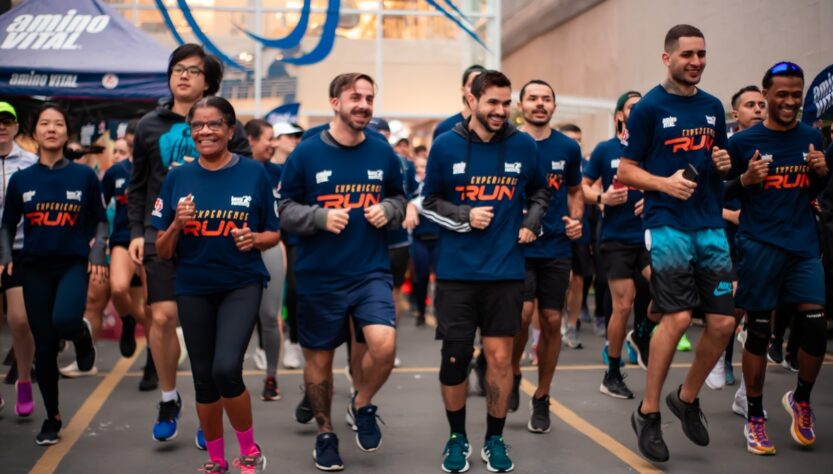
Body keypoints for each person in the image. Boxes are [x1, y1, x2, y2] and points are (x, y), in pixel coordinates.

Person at [619, 24, 736, 463]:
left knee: (724, 324)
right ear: (666, 58)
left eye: (702, 54)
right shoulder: (648, 108)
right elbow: (627, 171)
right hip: (666, 221)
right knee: (680, 315)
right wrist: (663, 184)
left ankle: (686, 399)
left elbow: (719, 163)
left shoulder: (711, 108)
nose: (697, 62)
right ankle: (648, 413)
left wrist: (723, 163)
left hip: (708, 223)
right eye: (688, 54)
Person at [422, 70, 549, 473]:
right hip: (457, 274)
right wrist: (464, 214)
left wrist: (532, 220)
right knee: (455, 359)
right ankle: (456, 438)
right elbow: (428, 203)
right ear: (472, 100)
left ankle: (495, 439)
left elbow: (541, 191)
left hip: (506, 271)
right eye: (492, 102)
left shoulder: (524, 145)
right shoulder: (445, 146)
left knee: (499, 359)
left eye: (505, 102)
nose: (500, 110)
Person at [278, 72, 406, 471]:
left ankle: (362, 403)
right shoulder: (306, 153)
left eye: (369, 98)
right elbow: (284, 210)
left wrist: (388, 210)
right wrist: (318, 217)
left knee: (384, 345)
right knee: (319, 363)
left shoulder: (384, 152)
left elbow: (401, 200)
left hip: (370, 270)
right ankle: (326, 434)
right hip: (319, 275)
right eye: (355, 97)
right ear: (335, 102)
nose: (364, 105)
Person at [127, 43, 250, 445]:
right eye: (177, 69)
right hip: (162, 234)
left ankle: (207, 408)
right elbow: (139, 186)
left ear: (208, 81)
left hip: (213, 241)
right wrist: (136, 234)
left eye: (193, 70)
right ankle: (168, 397)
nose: (183, 76)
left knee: (208, 334)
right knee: (161, 318)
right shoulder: (149, 125)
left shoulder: (229, 124)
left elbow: (246, 175)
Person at [153, 96, 278, 473]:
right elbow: (161, 249)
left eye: (214, 124)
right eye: (198, 126)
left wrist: (253, 239)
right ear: (190, 133)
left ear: (230, 129)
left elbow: (273, 232)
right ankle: (217, 460)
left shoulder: (254, 173)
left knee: (227, 369)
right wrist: (176, 223)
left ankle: (250, 451)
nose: (205, 131)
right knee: (205, 380)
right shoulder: (178, 177)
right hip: (193, 285)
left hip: (241, 282)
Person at [726, 62, 829, 455]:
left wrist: (822, 173)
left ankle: (801, 399)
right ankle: (754, 415)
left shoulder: (812, 137)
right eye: (782, 94)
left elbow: (813, 190)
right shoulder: (742, 143)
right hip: (759, 245)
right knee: (759, 332)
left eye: (796, 94)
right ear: (765, 95)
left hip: (802, 244)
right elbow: (718, 195)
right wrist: (744, 181)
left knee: (815, 324)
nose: (789, 101)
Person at [0, 103, 107, 444]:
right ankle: (53, 416)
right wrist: (6, 256)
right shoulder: (21, 179)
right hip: (33, 268)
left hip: (72, 264)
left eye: (58, 123)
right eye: (44, 123)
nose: (51, 128)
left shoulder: (83, 175)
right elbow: (6, 225)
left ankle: (81, 335)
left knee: (64, 320)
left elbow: (101, 219)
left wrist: (96, 251)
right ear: (34, 132)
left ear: (66, 132)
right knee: (44, 347)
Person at [509, 79, 583, 433]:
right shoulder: (507, 144)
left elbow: (575, 191)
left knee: (552, 321)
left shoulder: (567, 147)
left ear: (554, 105)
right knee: (522, 317)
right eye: (533, 98)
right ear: (520, 104)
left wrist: (576, 220)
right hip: (517, 246)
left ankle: (542, 396)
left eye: (546, 98)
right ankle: (512, 371)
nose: (540, 104)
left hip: (555, 246)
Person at [583, 91, 660, 399]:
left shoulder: (654, 148)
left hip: (649, 235)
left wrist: (653, 199)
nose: (639, 110)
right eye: (632, 107)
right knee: (624, 304)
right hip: (615, 240)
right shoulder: (605, 150)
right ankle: (612, 373)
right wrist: (602, 197)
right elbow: (583, 188)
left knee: (670, 292)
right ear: (619, 116)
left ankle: (640, 336)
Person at [244, 118, 287, 401]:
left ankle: (271, 376)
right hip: (238, 248)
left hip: (270, 246)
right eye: (268, 139)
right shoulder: (235, 170)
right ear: (250, 139)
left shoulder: (280, 173)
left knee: (270, 317)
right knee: (238, 319)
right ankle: (228, 379)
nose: (273, 144)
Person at [0, 101, 37, 416]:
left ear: (15, 126)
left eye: (6, 120)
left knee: (20, 321)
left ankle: (23, 379)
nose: (0, 125)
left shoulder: (31, 163)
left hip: (22, 251)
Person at [102, 137, 151, 366]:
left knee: (153, 307)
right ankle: (128, 321)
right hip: (123, 238)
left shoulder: (157, 169)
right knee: (119, 289)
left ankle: (153, 361)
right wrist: (97, 239)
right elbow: (99, 207)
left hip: (152, 240)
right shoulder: (116, 172)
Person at [269, 121, 305, 371]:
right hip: (267, 238)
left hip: (293, 239)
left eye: (297, 136)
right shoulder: (265, 169)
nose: (294, 140)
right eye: (289, 136)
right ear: (276, 139)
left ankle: (294, 342)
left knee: (294, 292)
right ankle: (263, 347)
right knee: (266, 299)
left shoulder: (298, 166)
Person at [559, 123, 596, 346]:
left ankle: (572, 325)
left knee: (579, 279)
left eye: (579, 139)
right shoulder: (553, 160)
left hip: (580, 228)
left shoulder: (586, 166)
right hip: (555, 227)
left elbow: (591, 190)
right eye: (570, 139)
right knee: (564, 278)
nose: (575, 143)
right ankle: (559, 320)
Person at [403, 153, 439, 327]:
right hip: (419, 238)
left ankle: (441, 313)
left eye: (424, 166)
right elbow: (405, 200)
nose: (420, 170)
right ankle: (421, 312)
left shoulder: (435, 183)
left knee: (441, 277)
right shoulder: (412, 185)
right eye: (417, 167)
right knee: (421, 275)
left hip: (438, 237)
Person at [432, 65, 486, 141]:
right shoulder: (444, 128)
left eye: (481, 85)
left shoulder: (495, 128)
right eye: (471, 85)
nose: (475, 89)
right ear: (463, 90)